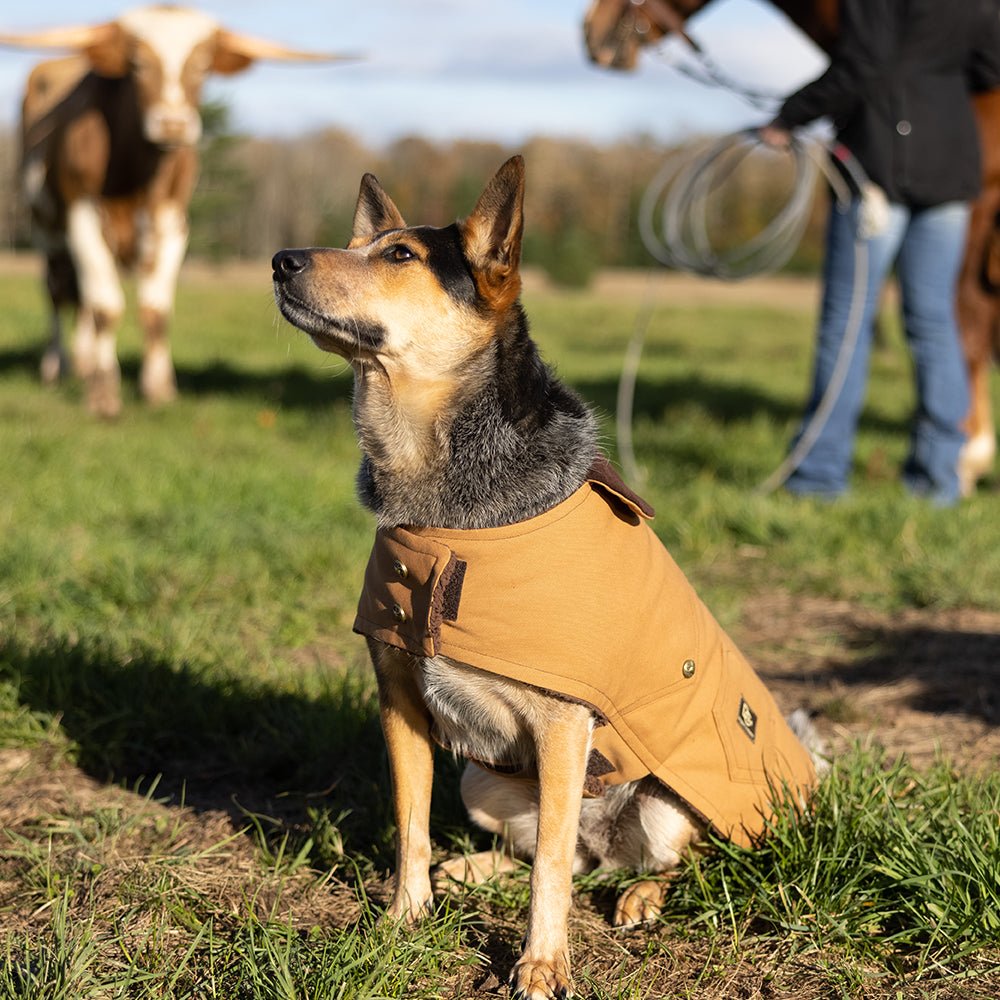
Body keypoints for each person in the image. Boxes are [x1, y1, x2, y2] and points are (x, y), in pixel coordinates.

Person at [760, 0, 1000, 504]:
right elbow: (990, 66)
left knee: (845, 324)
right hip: (952, 172)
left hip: (878, 170)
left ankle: (820, 477)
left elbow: (862, 66)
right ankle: (939, 479)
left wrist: (789, 116)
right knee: (935, 323)